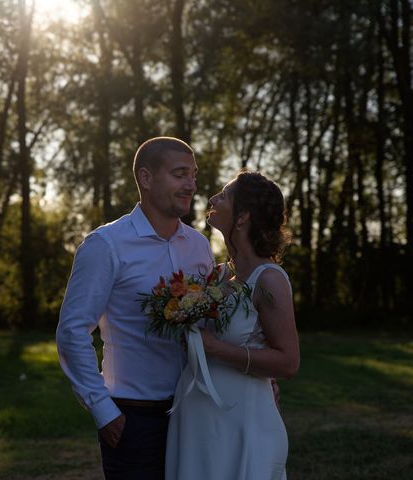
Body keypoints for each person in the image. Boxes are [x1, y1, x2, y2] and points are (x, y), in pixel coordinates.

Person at [56, 137, 214, 479]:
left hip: (195, 413)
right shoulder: (105, 245)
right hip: (133, 421)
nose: (191, 184)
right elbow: (72, 331)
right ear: (145, 178)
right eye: (179, 174)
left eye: (193, 174)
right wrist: (103, 411)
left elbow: (211, 327)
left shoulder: (199, 246)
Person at [165, 170, 300, 480]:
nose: (213, 199)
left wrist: (216, 349)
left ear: (242, 217)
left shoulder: (269, 280)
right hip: (198, 421)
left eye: (223, 195)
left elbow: (289, 362)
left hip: (241, 422)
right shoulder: (220, 276)